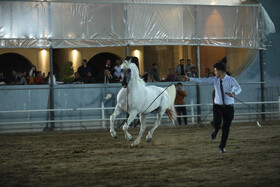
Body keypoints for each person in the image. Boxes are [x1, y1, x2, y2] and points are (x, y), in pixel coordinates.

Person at [186, 62, 241, 153]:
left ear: (220, 71)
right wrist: (190, 79)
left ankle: (222, 147)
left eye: (215, 70)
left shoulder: (231, 80)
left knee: (226, 128)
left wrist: (233, 93)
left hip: (229, 107)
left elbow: (238, 88)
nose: (214, 72)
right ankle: (216, 128)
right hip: (217, 106)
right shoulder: (215, 79)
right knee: (217, 122)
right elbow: (203, 80)